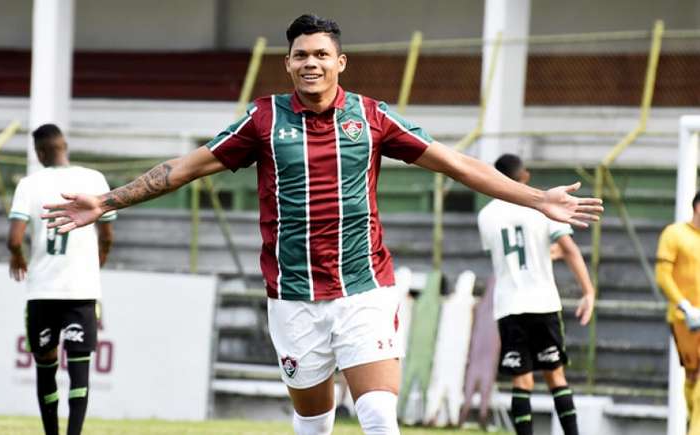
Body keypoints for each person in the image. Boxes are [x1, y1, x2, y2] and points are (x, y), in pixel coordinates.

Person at [42, 15, 602, 435]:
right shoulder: (262, 119)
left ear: (340, 63)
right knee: (314, 420)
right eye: (300, 55)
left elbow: (457, 163)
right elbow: (185, 168)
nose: (310, 62)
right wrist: (106, 201)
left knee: (379, 414)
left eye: (320, 54)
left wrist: (535, 198)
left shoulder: (373, 117)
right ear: (288, 64)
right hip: (293, 297)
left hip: (366, 288)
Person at [7, 124, 116, 435]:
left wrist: (18, 258)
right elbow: (107, 235)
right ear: (64, 146)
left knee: (46, 368)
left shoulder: (29, 184)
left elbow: (14, 239)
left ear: (40, 152)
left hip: (42, 291)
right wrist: (98, 261)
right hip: (81, 290)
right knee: (80, 372)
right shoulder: (94, 179)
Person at [477, 154, 596, 435]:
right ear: (525, 177)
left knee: (522, 380)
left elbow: (507, 256)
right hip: (542, 301)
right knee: (555, 376)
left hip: (508, 305)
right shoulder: (540, 207)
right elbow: (568, 249)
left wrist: (544, 253)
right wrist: (588, 291)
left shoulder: (486, 215)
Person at [656, 191, 700, 434]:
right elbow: (663, 275)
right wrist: (685, 305)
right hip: (686, 319)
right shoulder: (675, 234)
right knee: (693, 376)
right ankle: (692, 421)